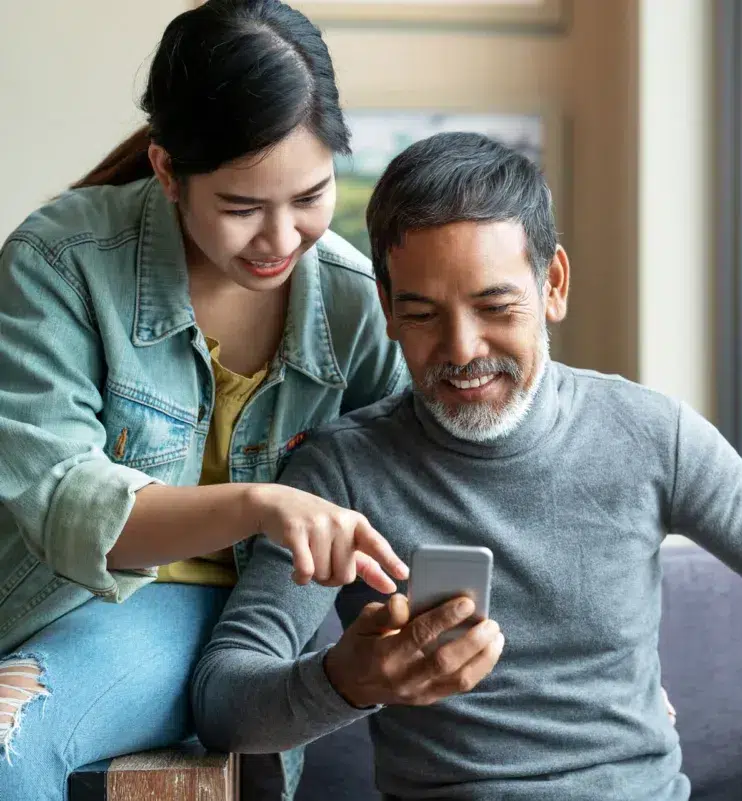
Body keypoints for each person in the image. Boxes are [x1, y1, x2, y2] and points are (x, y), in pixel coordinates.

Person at [191, 131, 742, 801]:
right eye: (423, 315)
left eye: (494, 306)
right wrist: (349, 678)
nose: (462, 350)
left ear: (552, 284)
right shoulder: (340, 473)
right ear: (387, 312)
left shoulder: (646, 431)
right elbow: (226, 698)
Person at [0, 2, 412, 799]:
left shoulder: (354, 302)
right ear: (166, 170)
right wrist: (260, 504)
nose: (283, 239)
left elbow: (431, 487)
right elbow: (64, 503)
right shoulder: (60, 261)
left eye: (311, 196)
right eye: (241, 206)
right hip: (71, 597)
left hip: (245, 624)